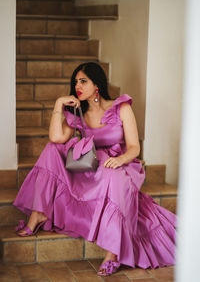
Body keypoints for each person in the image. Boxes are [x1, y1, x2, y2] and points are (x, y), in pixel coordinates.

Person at [13, 62, 176, 276]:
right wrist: (58, 104)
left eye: (83, 81)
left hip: (119, 163)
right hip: (90, 164)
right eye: (75, 82)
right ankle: (38, 213)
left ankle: (113, 253)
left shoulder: (121, 107)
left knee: (112, 174)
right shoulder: (78, 111)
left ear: (96, 84)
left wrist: (121, 160)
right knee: (52, 149)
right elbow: (56, 138)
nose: (77, 86)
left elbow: (135, 146)